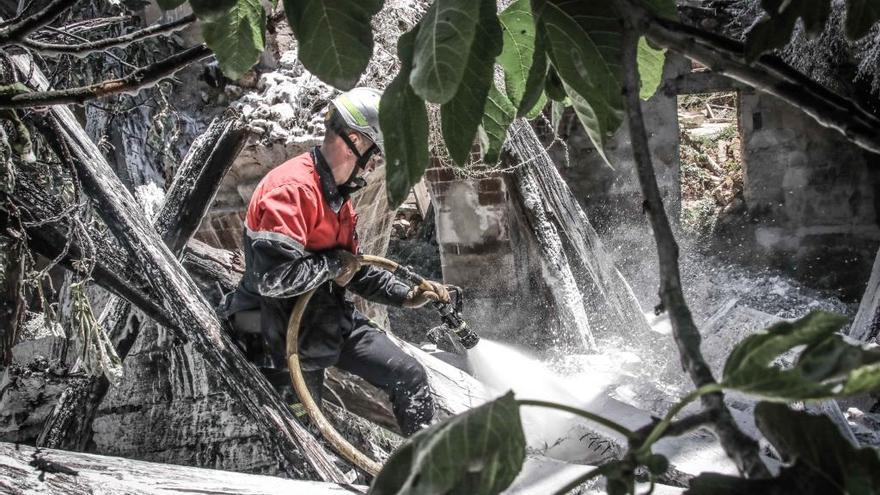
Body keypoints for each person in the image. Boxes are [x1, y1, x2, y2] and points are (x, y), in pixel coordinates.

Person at [219, 87, 448, 436]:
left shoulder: (338, 197)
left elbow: (353, 267)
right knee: (308, 437)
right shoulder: (291, 190)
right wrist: (332, 265)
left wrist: (406, 295)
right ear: (354, 140)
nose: (374, 163)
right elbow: (273, 279)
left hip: (327, 320)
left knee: (408, 374)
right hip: (277, 334)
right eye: (374, 152)